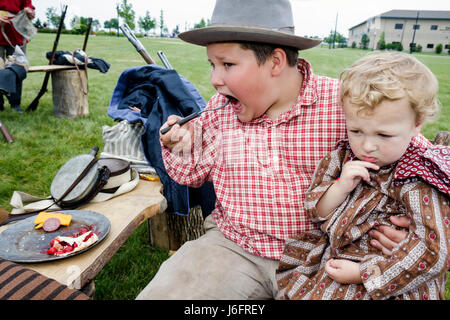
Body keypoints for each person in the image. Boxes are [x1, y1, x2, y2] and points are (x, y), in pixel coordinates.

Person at [136, 0, 427, 300]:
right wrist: (181, 146)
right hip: (235, 247)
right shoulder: (219, 110)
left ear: (275, 62)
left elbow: (426, 163)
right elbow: (192, 174)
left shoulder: (344, 104)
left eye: (228, 65)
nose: (215, 79)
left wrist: (422, 229)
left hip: (330, 255)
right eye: (213, 65)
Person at [276, 52, 449, 300]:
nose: (367, 145)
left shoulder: (418, 178)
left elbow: (434, 251)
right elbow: (316, 211)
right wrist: (340, 187)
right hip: (336, 265)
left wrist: (362, 273)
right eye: (356, 130)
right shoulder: (342, 158)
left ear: (417, 123)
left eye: (384, 135)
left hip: (391, 280)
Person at [0, 0, 35, 113]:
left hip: (15, 32)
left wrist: (30, 11)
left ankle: (15, 103)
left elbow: (27, 4)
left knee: (17, 68)